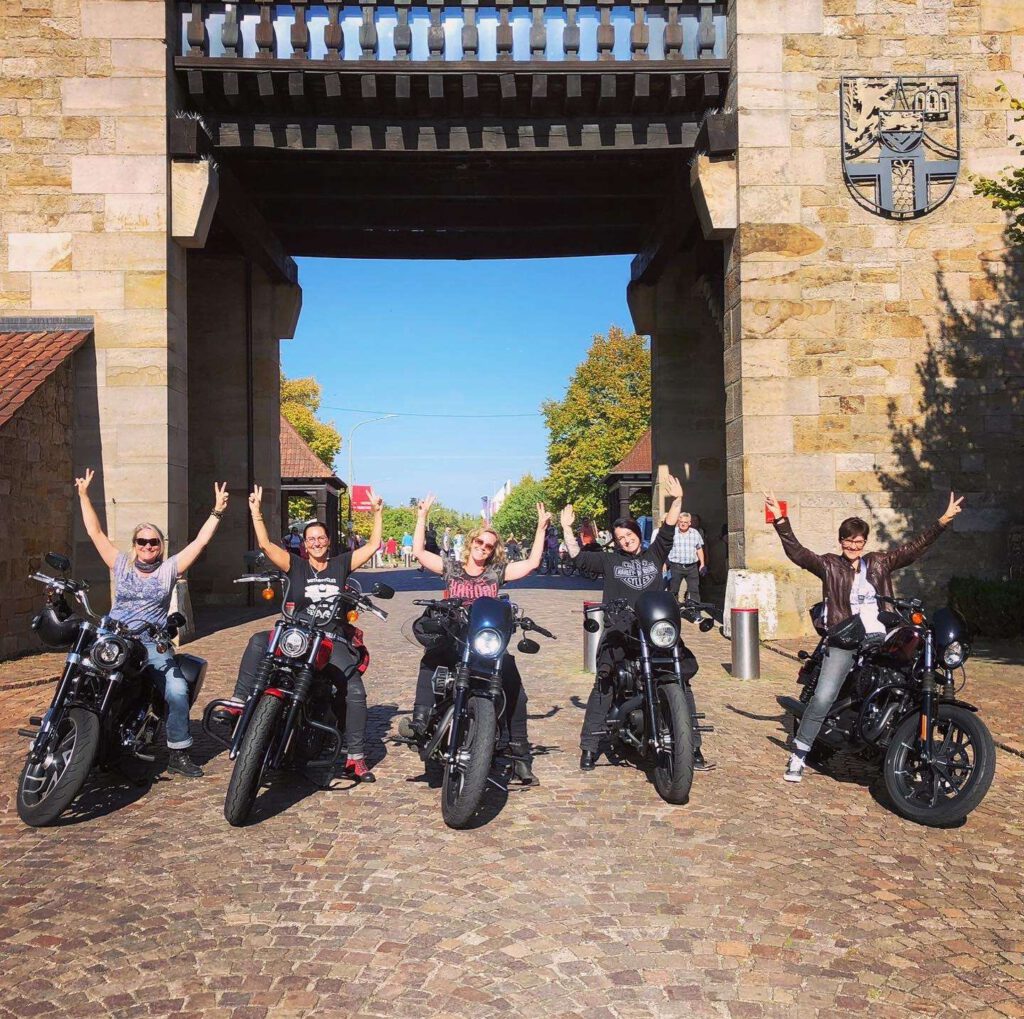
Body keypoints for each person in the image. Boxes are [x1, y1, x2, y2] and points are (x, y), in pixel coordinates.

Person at [765, 489, 964, 783]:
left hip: (882, 637)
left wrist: (943, 521)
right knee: (823, 696)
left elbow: (913, 548)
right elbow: (799, 553)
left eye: (858, 541)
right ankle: (798, 756)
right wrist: (781, 521)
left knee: (912, 679)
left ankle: (909, 746)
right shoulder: (830, 565)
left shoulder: (880, 562)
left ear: (865, 541)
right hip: (845, 638)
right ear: (840, 541)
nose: (853, 546)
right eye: (848, 540)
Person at [75, 467, 229, 778]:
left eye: (154, 542)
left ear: (161, 546)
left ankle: (178, 751)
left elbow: (199, 543)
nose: (148, 547)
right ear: (134, 544)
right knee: (79, 675)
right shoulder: (121, 565)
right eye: (142, 542)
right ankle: (70, 733)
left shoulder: (169, 569)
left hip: (151, 642)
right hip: (115, 635)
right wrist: (83, 495)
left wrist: (216, 512)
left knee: (175, 689)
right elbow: (95, 533)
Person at [232, 483, 385, 782]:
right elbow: (265, 544)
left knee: (354, 689)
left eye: (321, 538)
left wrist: (377, 514)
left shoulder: (341, 564)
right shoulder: (296, 565)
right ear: (304, 544)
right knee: (258, 641)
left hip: (330, 638)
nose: (316, 543)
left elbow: (372, 546)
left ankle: (355, 757)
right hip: (296, 634)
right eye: (311, 539)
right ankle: (239, 702)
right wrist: (255, 512)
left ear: (329, 541)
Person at [561, 476, 712, 773]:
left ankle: (692, 746)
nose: (625, 541)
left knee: (681, 678)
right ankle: (590, 746)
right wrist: (567, 528)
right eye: (619, 539)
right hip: (622, 630)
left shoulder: (655, 553)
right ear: (615, 542)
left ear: (636, 534)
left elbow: (668, 529)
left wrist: (677, 500)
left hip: (656, 630)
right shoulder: (609, 561)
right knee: (604, 680)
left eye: (628, 535)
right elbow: (578, 559)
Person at [402, 494, 552, 784]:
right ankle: (421, 723)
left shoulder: (497, 573)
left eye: (489, 545)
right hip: (454, 636)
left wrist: (541, 529)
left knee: (515, 688)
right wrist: (422, 517)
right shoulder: (452, 568)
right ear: (471, 543)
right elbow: (419, 551)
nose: (483, 548)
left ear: (494, 550)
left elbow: (532, 563)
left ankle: (519, 755)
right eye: (479, 542)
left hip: (485, 641)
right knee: (431, 660)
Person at [667, 512, 705, 603]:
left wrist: (702, 564)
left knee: (694, 590)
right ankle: (674, 611)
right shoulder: (672, 533)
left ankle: (695, 611)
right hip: (676, 566)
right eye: (681, 522)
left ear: (689, 523)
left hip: (692, 567)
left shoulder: (695, 533)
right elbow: (666, 548)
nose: (683, 524)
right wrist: (665, 562)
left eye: (685, 522)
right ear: (678, 522)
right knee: (673, 590)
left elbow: (699, 549)